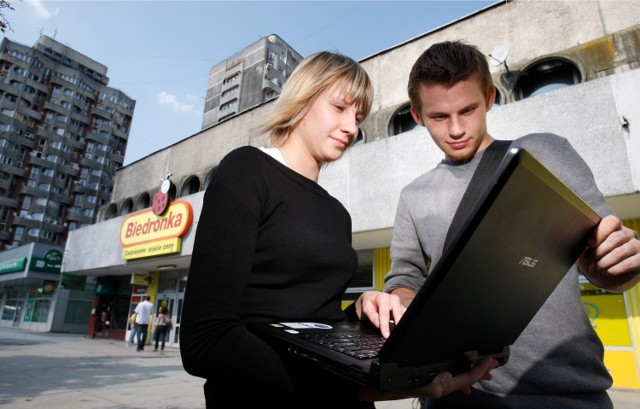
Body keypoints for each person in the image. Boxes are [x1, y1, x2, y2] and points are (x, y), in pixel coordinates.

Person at [180, 51, 497, 409]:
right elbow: (205, 340)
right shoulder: (247, 170)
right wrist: (351, 388)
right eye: (339, 108)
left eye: (359, 116)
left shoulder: (337, 213)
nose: (352, 127)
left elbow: (316, 322)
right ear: (303, 98)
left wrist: (360, 310)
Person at [360, 40, 640, 409]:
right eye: (439, 117)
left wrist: (619, 263)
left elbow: (611, 265)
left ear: (490, 98)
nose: (456, 129)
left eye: (468, 110)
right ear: (417, 116)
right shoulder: (414, 195)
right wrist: (397, 302)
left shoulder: (546, 152)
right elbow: (405, 280)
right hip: (453, 394)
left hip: (564, 394)